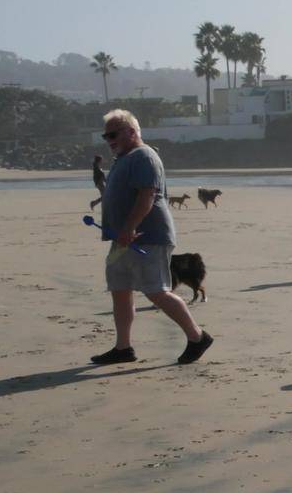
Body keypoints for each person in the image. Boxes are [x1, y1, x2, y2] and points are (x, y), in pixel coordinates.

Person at [91, 109, 213, 366]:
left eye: (113, 134)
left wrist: (129, 228)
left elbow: (147, 195)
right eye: (106, 135)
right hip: (123, 238)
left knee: (157, 291)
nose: (109, 139)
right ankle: (123, 348)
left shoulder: (144, 156)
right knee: (119, 289)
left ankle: (197, 337)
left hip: (147, 236)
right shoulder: (123, 159)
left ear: (132, 132)